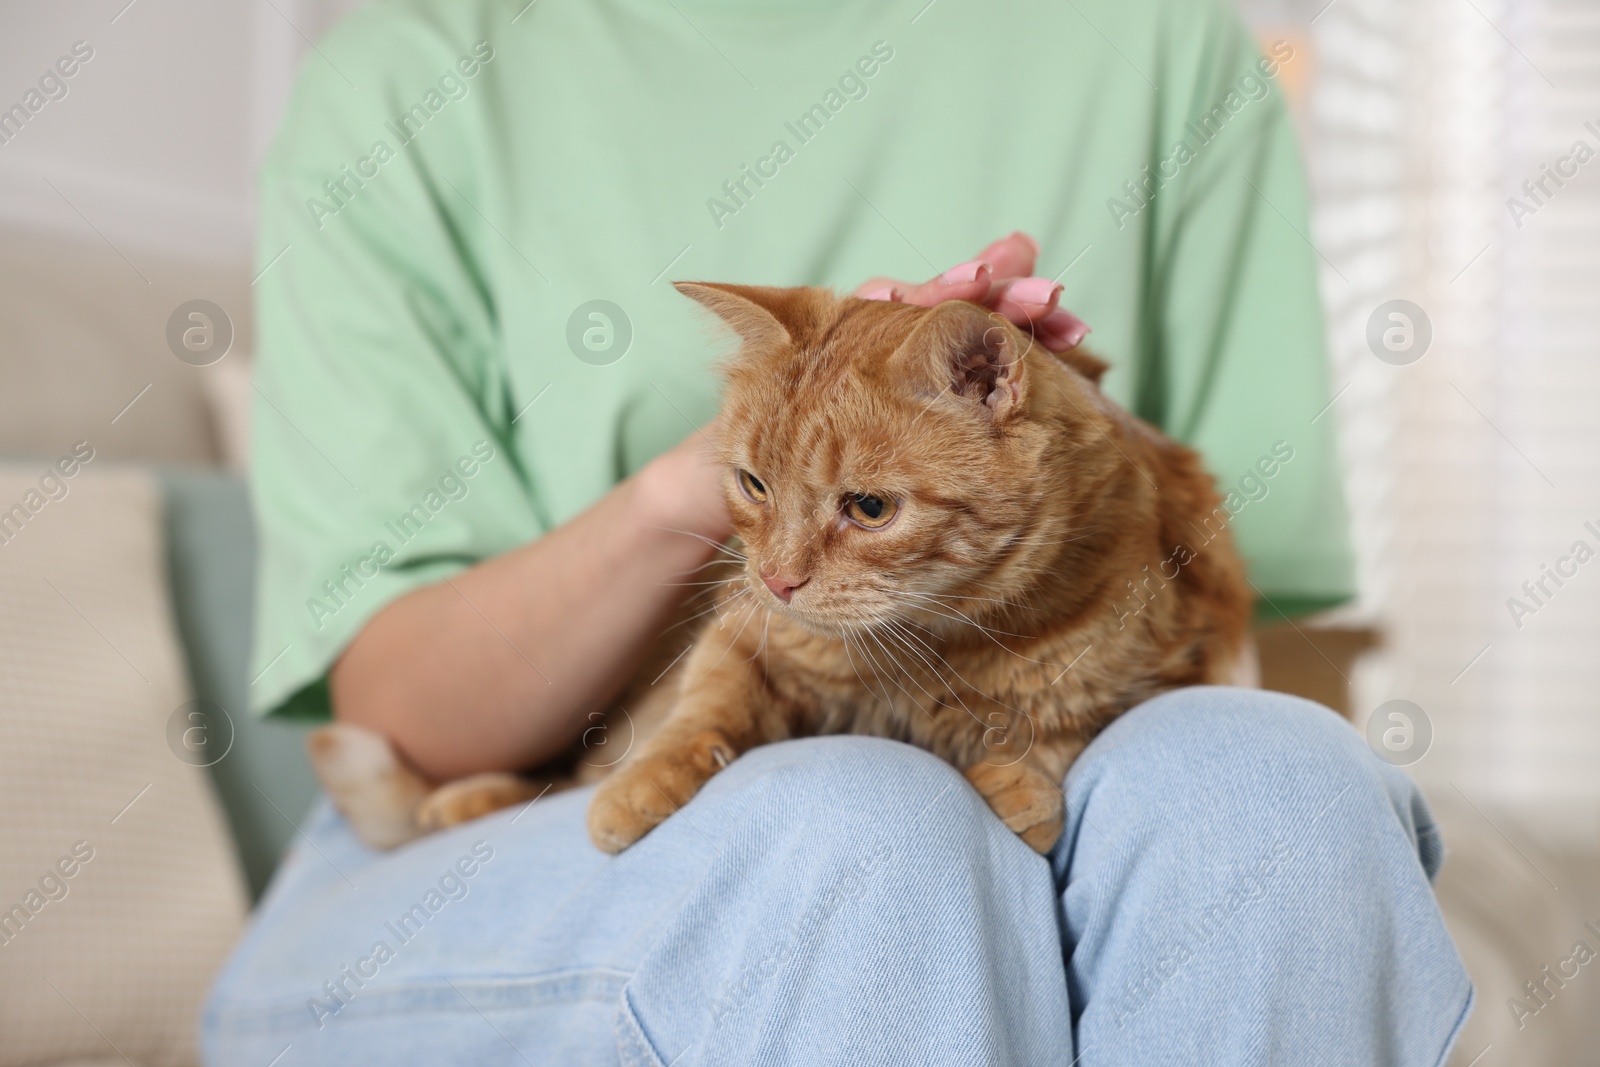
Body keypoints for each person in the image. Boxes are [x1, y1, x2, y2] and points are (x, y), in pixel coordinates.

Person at [203, 0, 1473, 1062]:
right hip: (514, 805)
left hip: (1033, 696)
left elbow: (1269, 643)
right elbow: (400, 712)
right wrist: (680, 493)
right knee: (868, 832)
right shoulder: (412, 72)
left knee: (1280, 792)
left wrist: (1060, 476)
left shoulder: (1156, 37)